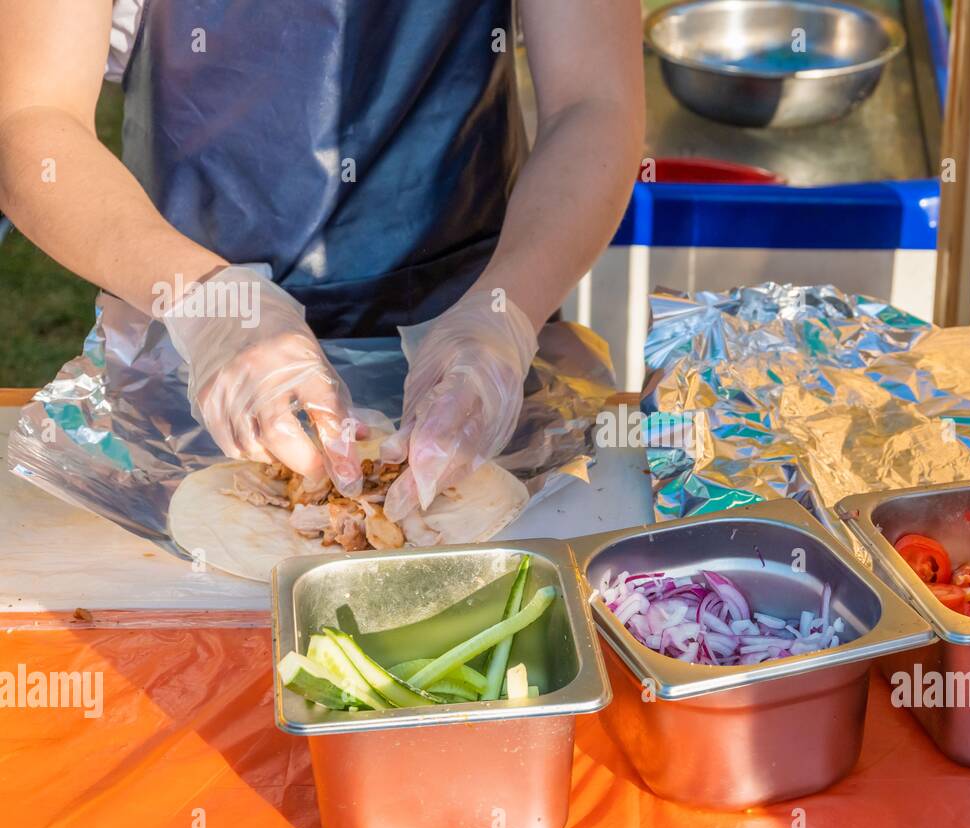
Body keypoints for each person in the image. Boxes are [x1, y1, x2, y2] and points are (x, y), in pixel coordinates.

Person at [0, 0, 644, 516]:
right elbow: (30, 117)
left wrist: (504, 315)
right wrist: (207, 302)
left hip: (472, 333)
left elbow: (594, 102)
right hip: (186, 342)